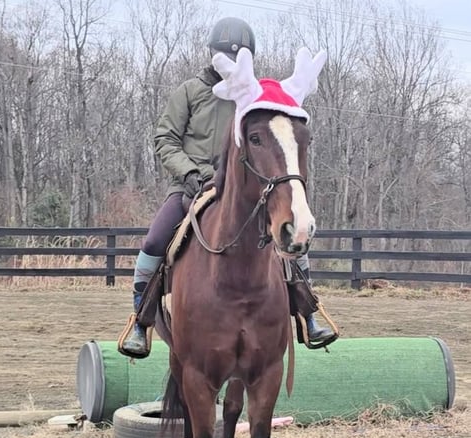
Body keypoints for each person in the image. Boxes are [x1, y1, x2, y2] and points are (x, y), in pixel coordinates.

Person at [120, 16, 333, 358]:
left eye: (237, 57)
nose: (230, 63)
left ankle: (308, 313)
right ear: (212, 55)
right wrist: (189, 172)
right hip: (191, 187)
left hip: (243, 189)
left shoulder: (254, 94)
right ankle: (140, 321)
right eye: (224, 56)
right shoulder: (189, 92)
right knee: (155, 241)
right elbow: (165, 139)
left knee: (292, 236)